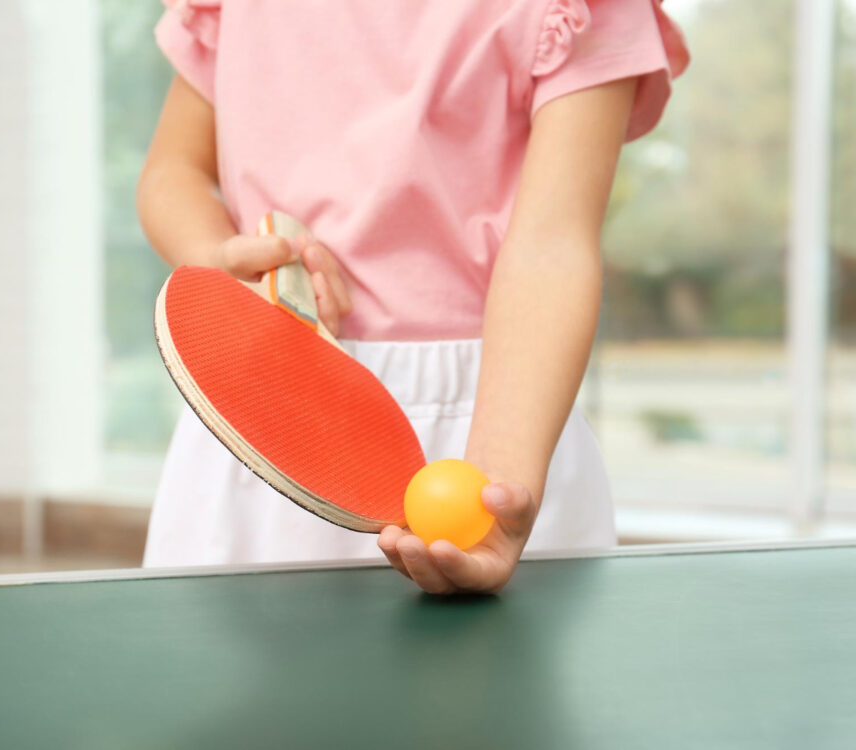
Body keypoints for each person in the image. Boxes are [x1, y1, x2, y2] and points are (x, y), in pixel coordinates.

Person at [137, 0, 689, 593]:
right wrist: (221, 256)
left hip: (497, 426)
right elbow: (173, 171)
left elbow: (550, 245)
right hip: (262, 416)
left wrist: (495, 485)